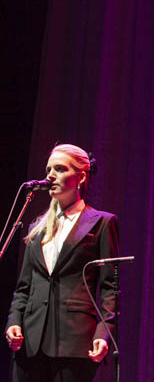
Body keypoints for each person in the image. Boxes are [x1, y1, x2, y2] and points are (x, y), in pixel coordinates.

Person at [5, 144, 119, 381]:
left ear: (80, 176)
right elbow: (24, 287)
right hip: (30, 342)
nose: (50, 176)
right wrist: (14, 321)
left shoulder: (101, 223)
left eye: (59, 169)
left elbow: (110, 288)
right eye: (48, 169)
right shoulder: (37, 229)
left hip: (74, 343)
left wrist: (104, 332)